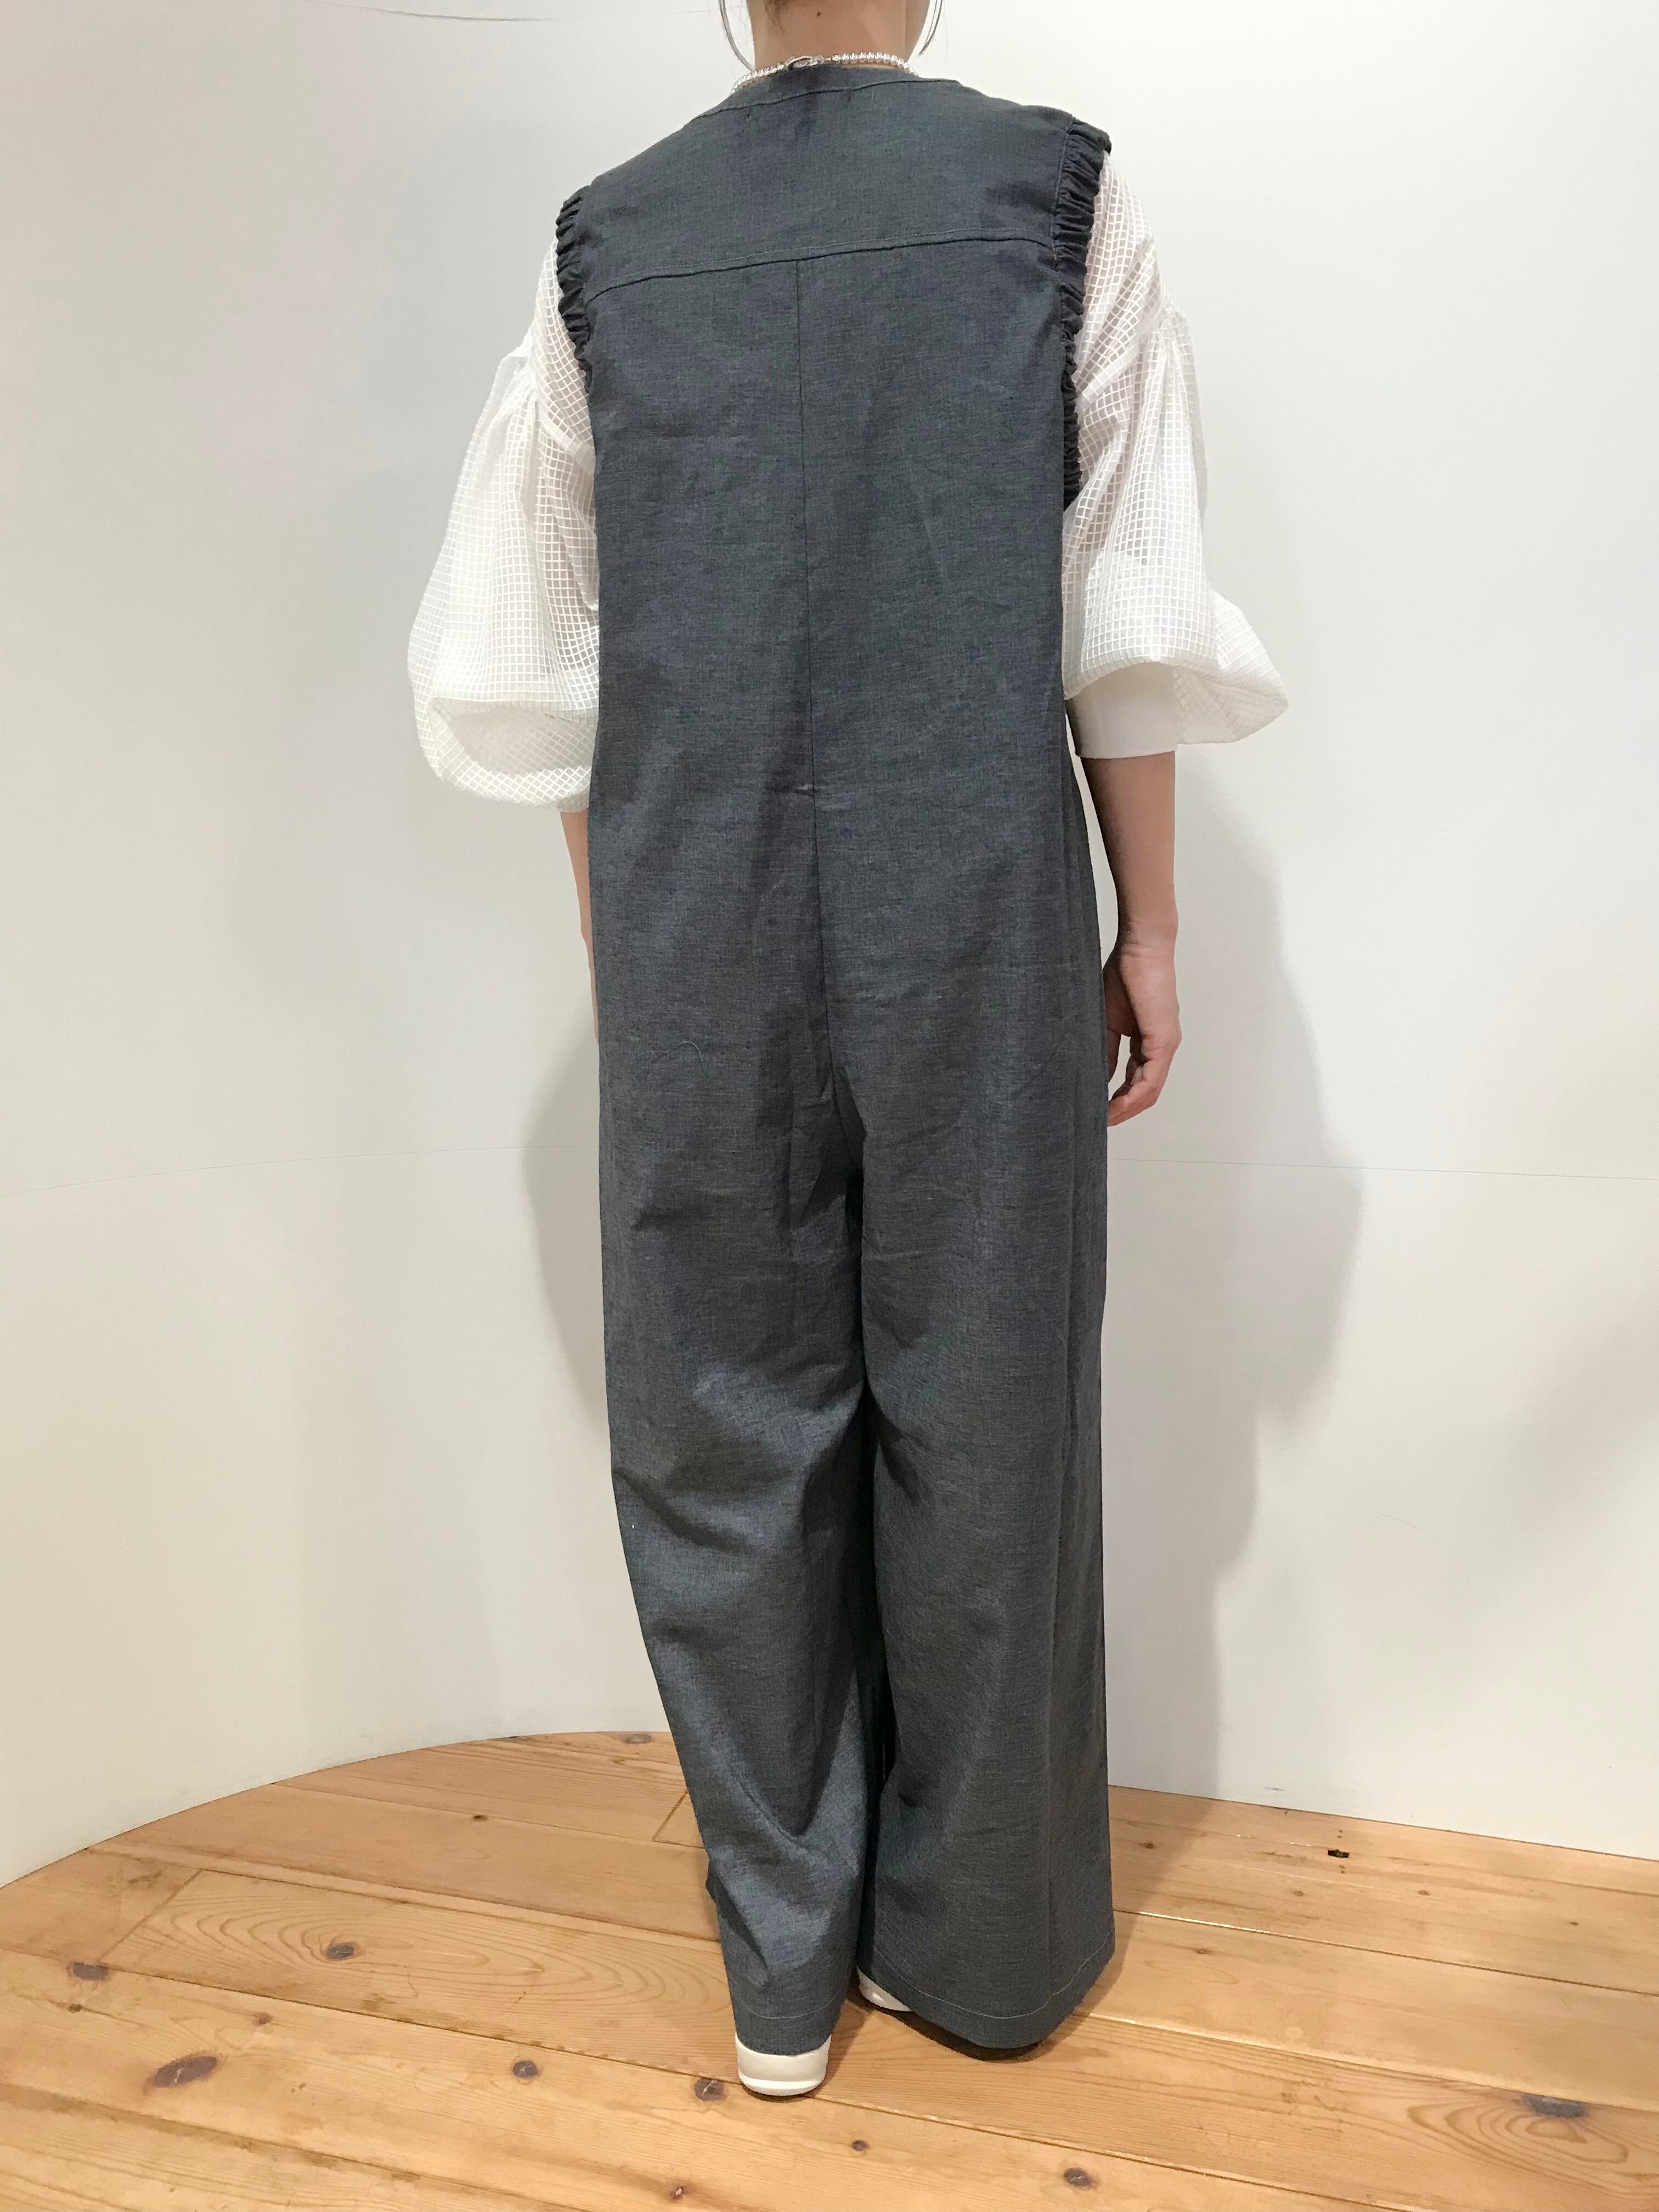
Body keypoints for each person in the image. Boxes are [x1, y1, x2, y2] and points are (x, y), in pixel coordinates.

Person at [409, 0, 1285, 2099]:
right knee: (985, 1406)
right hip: (973, 893)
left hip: (694, 907)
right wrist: (1151, 925)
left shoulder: (606, 241)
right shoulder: (1055, 195)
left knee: (722, 1427)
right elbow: (1127, 606)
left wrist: (638, 936)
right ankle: (975, 1955)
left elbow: (536, 654)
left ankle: (781, 1978)